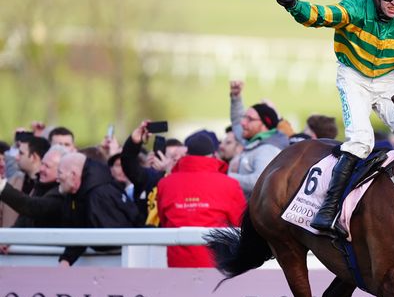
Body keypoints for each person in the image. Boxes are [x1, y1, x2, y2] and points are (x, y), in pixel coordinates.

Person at [276, 0, 394, 235]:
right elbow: (323, 16)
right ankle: (329, 209)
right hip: (353, 76)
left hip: (389, 80)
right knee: (361, 139)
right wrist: (294, 6)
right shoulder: (357, 5)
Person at [156, 131, 246, 267]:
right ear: (214, 155)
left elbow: (163, 220)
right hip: (218, 265)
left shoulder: (165, 184)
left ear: (187, 155)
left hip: (176, 264)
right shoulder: (230, 184)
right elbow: (240, 224)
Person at [56, 152, 142, 266]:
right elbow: (83, 229)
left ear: (73, 175)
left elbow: (114, 237)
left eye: (60, 173)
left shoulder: (98, 196)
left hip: (120, 263)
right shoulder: (80, 193)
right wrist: (67, 259)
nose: (57, 179)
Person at [228, 81, 289, 198]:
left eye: (249, 119)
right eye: (244, 117)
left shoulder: (268, 149)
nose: (243, 122)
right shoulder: (254, 139)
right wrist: (236, 98)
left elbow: (259, 181)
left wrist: (226, 177)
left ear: (265, 125)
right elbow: (236, 121)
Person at [0, 145, 68, 230]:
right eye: (42, 163)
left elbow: (32, 207)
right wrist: (8, 239)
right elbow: (24, 220)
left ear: (61, 170)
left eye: (47, 166)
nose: (41, 169)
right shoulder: (40, 187)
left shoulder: (62, 193)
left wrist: (2, 186)